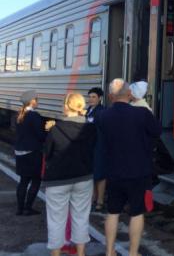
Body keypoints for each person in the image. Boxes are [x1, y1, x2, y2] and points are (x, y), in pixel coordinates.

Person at [97, 79, 161, 256]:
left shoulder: (103, 116)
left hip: (114, 172)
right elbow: (157, 131)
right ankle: (133, 253)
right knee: (137, 213)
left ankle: (109, 251)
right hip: (138, 172)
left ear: (110, 97)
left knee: (112, 212)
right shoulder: (142, 114)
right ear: (129, 94)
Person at [43, 93, 96, 256]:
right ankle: (80, 254)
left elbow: (47, 153)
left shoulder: (55, 129)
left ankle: (56, 254)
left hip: (57, 181)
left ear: (66, 106)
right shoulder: (91, 128)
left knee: (56, 220)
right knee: (81, 218)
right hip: (83, 178)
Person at [14, 90, 46, 215]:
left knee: (23, 180)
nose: (38, 102)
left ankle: (19, 209)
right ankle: (28, 208)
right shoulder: (34, 116)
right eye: (37, 99)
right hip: (32, 152)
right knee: (36, 180)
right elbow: (41, 135)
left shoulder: (19, 114)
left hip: (20, 151)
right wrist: (47, 130)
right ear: (32, 101)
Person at [85, 87, 107, 211]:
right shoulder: (88, 110)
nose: (91, 99)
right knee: (92, 173)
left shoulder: (102, 111)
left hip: (99, 146)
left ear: (100, 98)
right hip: (90, 146)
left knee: (100, 174)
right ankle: (94, 196)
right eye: (90, 97)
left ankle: (100, 200)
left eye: (93, 97)